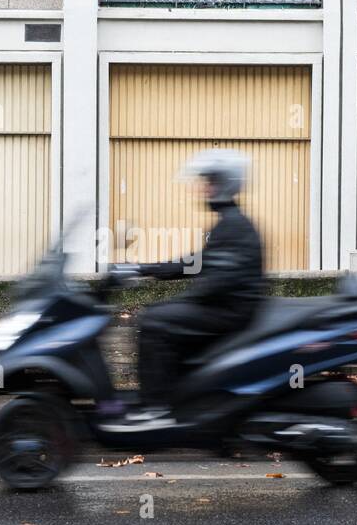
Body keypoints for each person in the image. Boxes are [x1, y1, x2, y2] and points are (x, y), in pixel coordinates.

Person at [109, 150, 266, 429]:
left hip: (230, 312)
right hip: (227, 307)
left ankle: (155, 409)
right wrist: (141, 269)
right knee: (162, 313)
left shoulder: (233, 227)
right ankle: (175, 396)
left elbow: (218, 282)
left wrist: (182, 299)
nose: (202, 188)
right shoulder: (229, 224)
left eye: (208, 182)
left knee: (154, 320)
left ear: (223, 184)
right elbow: (193, 263)